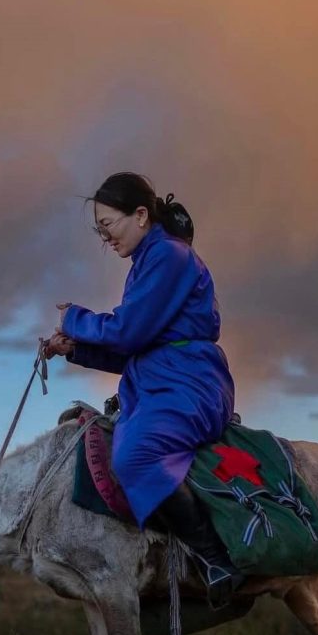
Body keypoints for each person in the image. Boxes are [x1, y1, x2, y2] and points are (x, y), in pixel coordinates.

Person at [44, 171, 246, 604]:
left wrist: (74, 319)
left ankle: (214, 558)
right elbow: (131, 351)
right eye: (100, 233)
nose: (106, 239)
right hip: (160, 381)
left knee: (133, 456)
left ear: (140, 215)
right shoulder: (147, 264)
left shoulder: (171, 256)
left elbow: (130, 331)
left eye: (108, 226)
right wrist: (74, 349)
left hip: (188, 383)